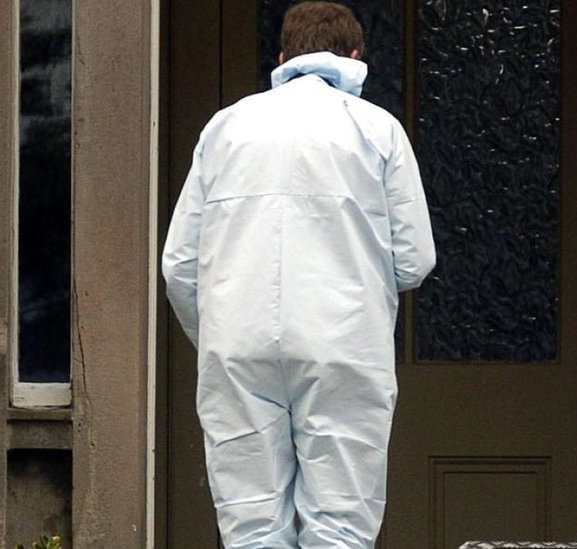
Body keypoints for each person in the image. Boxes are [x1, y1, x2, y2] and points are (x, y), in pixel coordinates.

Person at [161, 3, 436, 547]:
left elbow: (179, 266)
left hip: (237, 346)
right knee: (340, 525)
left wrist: (216, 333)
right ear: (356, 57)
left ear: (283, 58)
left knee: (251, 527)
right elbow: (414, 260)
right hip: (343, 344)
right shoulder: (377, 129)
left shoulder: (226, 126)